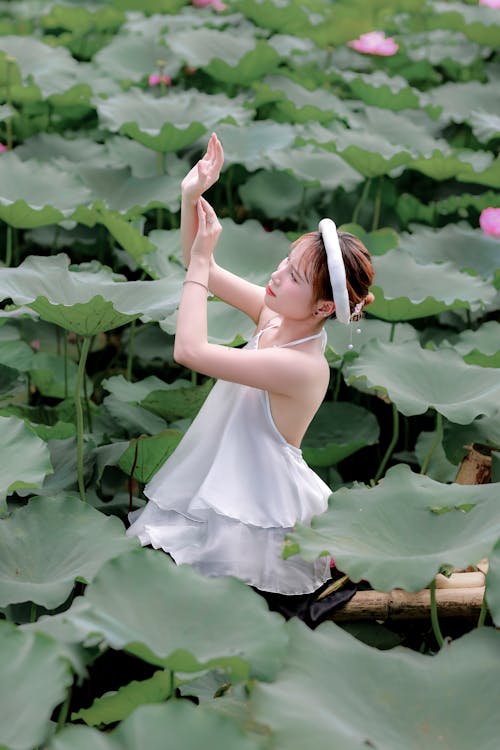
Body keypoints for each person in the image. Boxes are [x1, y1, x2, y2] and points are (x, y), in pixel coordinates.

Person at [127, 132, 375, 602]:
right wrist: (191, 196)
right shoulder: (277, 315)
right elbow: (200, 267)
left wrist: (200, 265)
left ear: (323, 307)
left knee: (225, 592)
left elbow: (191, 351)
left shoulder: (303, 366)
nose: (277, 275)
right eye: (285, 261)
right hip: (223, 474)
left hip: (257, 500)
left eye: (294, 276)